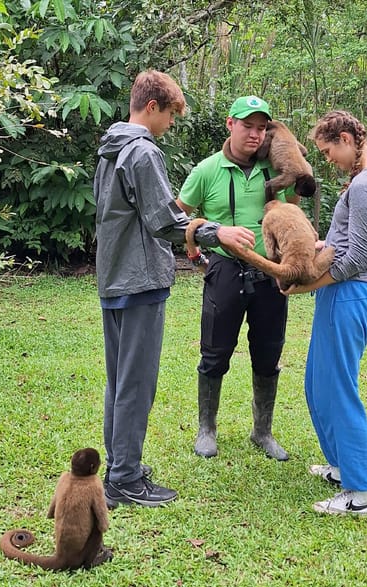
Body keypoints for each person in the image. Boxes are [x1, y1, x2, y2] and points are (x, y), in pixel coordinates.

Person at [93, 71, 255, 507]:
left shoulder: (110, 148)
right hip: (139, 280)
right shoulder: (142, 152)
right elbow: (164, 221)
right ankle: (125, 479)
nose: (169, 125)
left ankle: (120, 467)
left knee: (119, 381)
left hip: (113, 278)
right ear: (152, 107)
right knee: (136, 384)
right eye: (169, 116)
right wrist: (215, 233)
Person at [176, 95, 299, 461]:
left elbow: (293, 214)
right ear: (230, 124)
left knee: (268, 354)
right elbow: (174, 219)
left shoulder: (274, 170)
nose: (256, 135)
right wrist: (202, 236)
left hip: (270, 275)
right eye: (248, 126)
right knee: (214, 354)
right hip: (226, 271)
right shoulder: (207, 170)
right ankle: (206, 428)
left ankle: (262, 431)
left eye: (262, 128)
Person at [283, 111, 367, 516]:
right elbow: (346, 241)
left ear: (346, 139)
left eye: (329, 151)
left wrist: (305, 284)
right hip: (339, 295)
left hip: (348, 294)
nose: (327, 160)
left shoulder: (365, 185)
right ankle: (339, 466)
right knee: (317, 383)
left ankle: (361, 494)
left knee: (339, 391)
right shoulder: (365, 182)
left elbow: (358, 256)